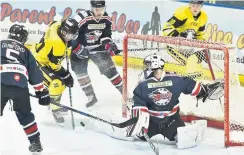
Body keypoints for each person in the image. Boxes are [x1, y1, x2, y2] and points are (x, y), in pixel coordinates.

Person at [126, 54, 223, 149]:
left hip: (172, 122)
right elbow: (139, 101)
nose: (146, 68)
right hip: (151, 123)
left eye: (147, 65)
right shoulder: (173, 79)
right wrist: (139, 116)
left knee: (184, 139)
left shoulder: (174, 79)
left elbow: (192, 87)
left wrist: (205, 90)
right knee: (139, 133)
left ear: (154, 66)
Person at [1, 24, 50, 153]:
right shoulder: (26, 51)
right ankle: (36, 143)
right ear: (23, 38)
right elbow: (35, 74)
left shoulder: (0, 44)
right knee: (25, 115)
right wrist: (42, 92)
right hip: (20, 86)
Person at [71, 0, 122, 108]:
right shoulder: (81, 17)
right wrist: (76, 47)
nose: (99, 12)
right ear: (91, 8)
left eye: (101, 9)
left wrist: (109, 44)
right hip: (81, 48)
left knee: (110, 70)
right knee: (80, 72)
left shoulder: (106, 18)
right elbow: (71, 33)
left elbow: (106, 35)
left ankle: (124, 91)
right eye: (96, 9)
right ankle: (91, 96)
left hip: (97, 48)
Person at [30, 18, 79, 126]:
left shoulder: (56, 25)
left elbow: (52, 23)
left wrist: (65, 77)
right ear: (64, 31)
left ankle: (53, 103)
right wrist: (66, 75)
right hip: (36, 62)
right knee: (57, 83)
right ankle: (55, 109)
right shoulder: (58, 44)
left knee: (63, 83)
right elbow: (55, 66)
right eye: (70, 35)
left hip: (41, 56)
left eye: (72, 36)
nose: (70, 38)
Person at [162, 0, 209, 68]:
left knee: (196, 60)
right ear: (189, 5)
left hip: (187, 47)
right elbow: (166, 28)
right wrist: (179, 35)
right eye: (193, 5)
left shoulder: (203, 17)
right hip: (173, 46)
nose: (195, 8)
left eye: (198, 6)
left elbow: (199, 35)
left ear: (201, 6)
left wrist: (204, 47)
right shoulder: (183, 12)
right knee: (188, 66)